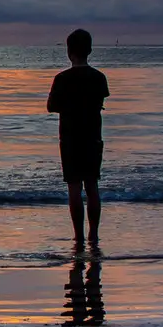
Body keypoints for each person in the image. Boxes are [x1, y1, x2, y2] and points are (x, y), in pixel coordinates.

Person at [46, 27, 108, 249]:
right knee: (92, 186)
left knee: (74, 187)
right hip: (93, 137)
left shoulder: (62, 79)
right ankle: (94, 234)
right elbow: (100, 101)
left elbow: (51, 106)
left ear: (69, 51)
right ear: (89, 50)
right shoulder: (99, 78)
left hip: (70, 138)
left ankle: (78, 236)